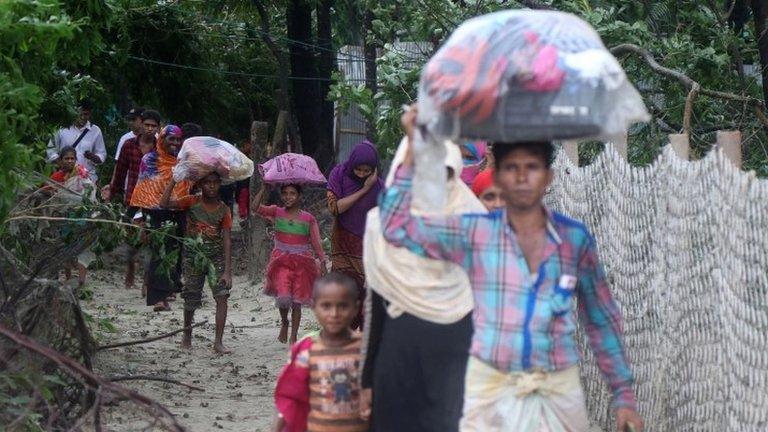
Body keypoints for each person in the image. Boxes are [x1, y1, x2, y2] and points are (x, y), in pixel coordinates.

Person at [379, 108, 644, 432]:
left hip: (558, 390)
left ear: (549, 177)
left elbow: (601, 320)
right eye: (511, 169)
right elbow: (396, 227)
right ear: (499, 177)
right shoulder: (474, 233)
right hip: (490, 387)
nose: (521, 177)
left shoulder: (575, 240)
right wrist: (414, 145)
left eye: (531, 167)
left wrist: (623, 395)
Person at [360, 138, 487, 432]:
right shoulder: (381, 228)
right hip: (397, 359)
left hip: (457, 361)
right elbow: (374, 309)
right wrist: (366, 380)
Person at [272, 272, 368, 432]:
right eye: (326, 306)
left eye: (343, 306)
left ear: (356, 308)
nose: (334, 314)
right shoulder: (307, 350)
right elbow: (290, 395)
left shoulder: (365, 348)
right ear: (314, 306)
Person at [160, 173, 233, 354]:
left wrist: (227, 271)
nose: (211, 186)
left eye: (215, 183)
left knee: (222, 296)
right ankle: (187, 334)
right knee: (191, 296)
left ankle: (218, 342)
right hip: (192, 257)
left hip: (215, 258)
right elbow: (164, 203)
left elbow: (227, 240)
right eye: (207, 182)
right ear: (200, 184)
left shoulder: (224, 210)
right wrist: (174, 180)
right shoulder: (191, 202)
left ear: (219, 185)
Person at [252, 182, 328, 344]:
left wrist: (322, 260)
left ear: (299, 196)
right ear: (281, 195)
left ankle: (293, 335)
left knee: (297, 301)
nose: (288, 197)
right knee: (284, 296)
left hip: (302, 263)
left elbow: (316, 242)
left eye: (292, 193)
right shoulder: (276, 212)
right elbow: (255, 207)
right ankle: (284, 322)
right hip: (281, 262)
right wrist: (264, 188)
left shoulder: (308, 218)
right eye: (285, 193)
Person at [130, 125, 191, 312]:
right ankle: (158, 298)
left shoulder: (183, 161)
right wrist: (141, 216)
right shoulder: (149, 160)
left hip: (178, 211)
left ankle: (169, 288)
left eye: (177, 140)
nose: (175, 143)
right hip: (155, 212)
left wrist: (179, 201)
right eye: (171, 139)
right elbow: (144, 187)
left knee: (175, 251)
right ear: (162, 139)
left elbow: (188, 186)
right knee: (159, 252)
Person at [326, 141, 383, 329]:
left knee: (366, 302)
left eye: (367, 170)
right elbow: (335, 208)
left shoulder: (381, 189)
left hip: (366, 251)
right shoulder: (338, 175)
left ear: (374, 170)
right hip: (342, 246)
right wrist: (365, 189)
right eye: (358, 169)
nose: (361, 174)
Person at [48, 146, 97, 289]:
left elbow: (90, 193)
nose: (70, 161)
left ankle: (81, 280)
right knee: (66, 245)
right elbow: (48, 193)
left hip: (82, 215)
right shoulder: (56, 177)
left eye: (72, 158)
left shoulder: (82, 173)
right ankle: (68, 277)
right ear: (60, 161)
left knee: (83, 246)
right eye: (66, 158)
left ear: (76, 160)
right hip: (65, 217)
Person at [46, 100, 107, 183]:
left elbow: (102, 154)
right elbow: (50, 149)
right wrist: (61, 164)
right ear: (74, 113)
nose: (82, 117)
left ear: (90, 114)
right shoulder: (62, 128)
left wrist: (92, 156)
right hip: (63, 178)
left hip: (87, 179)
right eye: (79, 114)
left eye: (85, 114)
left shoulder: (96, 131)